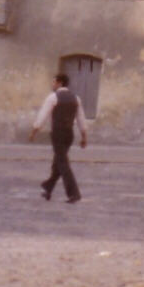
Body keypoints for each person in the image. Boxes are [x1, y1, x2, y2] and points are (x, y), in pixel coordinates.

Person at [29, 72, 87, 203]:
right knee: (58, 163)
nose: (52, 84)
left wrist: (34, 131)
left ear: (60, 83)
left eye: (54, 82)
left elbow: (42, 116)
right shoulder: (75, 98)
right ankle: (48, 188)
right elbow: (81, 119)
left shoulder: (53, 97)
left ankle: (74, 193)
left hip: (58, 134)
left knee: (62, 163)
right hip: (69, 134)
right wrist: (84, 136)